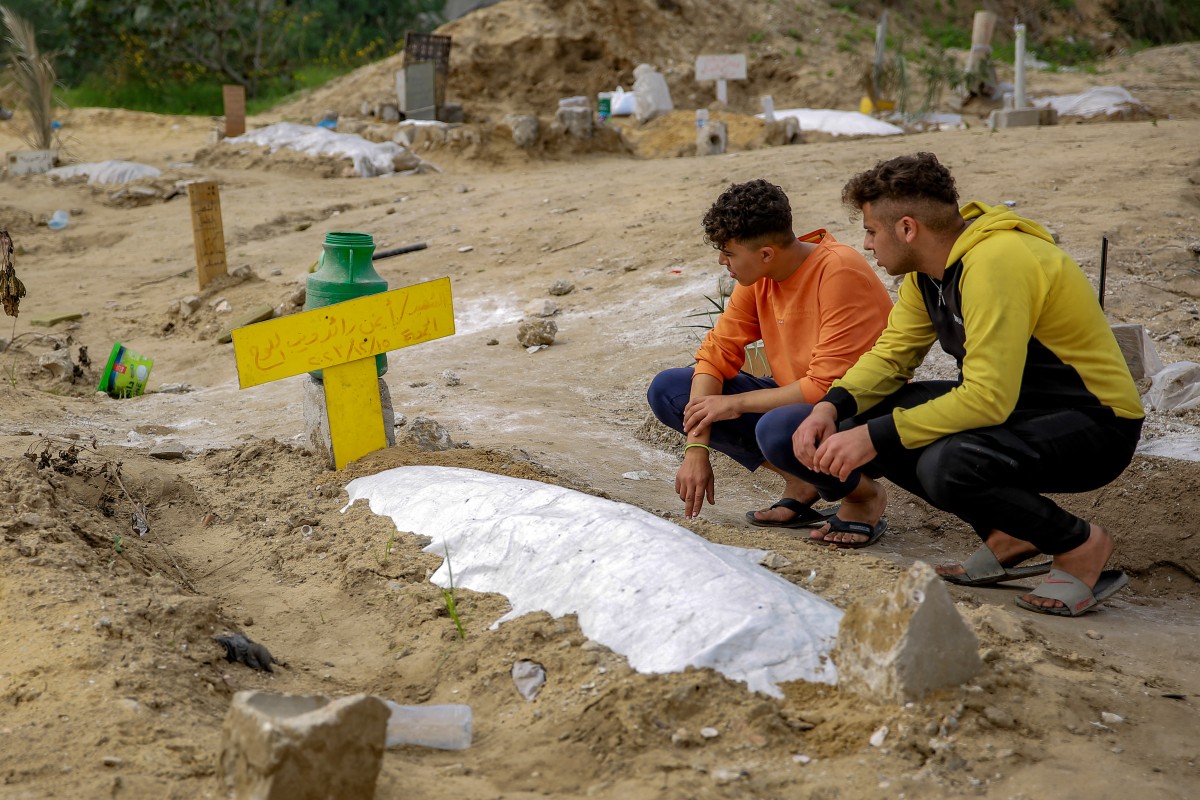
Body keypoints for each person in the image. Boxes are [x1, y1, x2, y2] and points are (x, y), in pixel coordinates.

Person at [757, 152, 1144, 617]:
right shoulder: (929, 274)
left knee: (947, 463)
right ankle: (1009, 532)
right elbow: (892, 355)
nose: (866, 243)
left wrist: (875, 436)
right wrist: (832, 406)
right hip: (1018, 410)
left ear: (907, 228)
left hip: (1095, 422)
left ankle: (1078, 544)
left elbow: (987, 398)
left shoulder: (998, 261)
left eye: (871, 231)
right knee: (863, 418)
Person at [646, 178, 892, 526]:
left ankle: (863, 495)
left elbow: (826, 387)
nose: (721, 260)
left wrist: (734, 404)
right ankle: (802, 480)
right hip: (798, 403)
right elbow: (716, 354)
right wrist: (696, 447)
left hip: (857, 412)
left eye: (729, 253)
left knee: (776, 428)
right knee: (669, 389)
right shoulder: (761, 275)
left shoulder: (839, 271)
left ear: (766, 253)